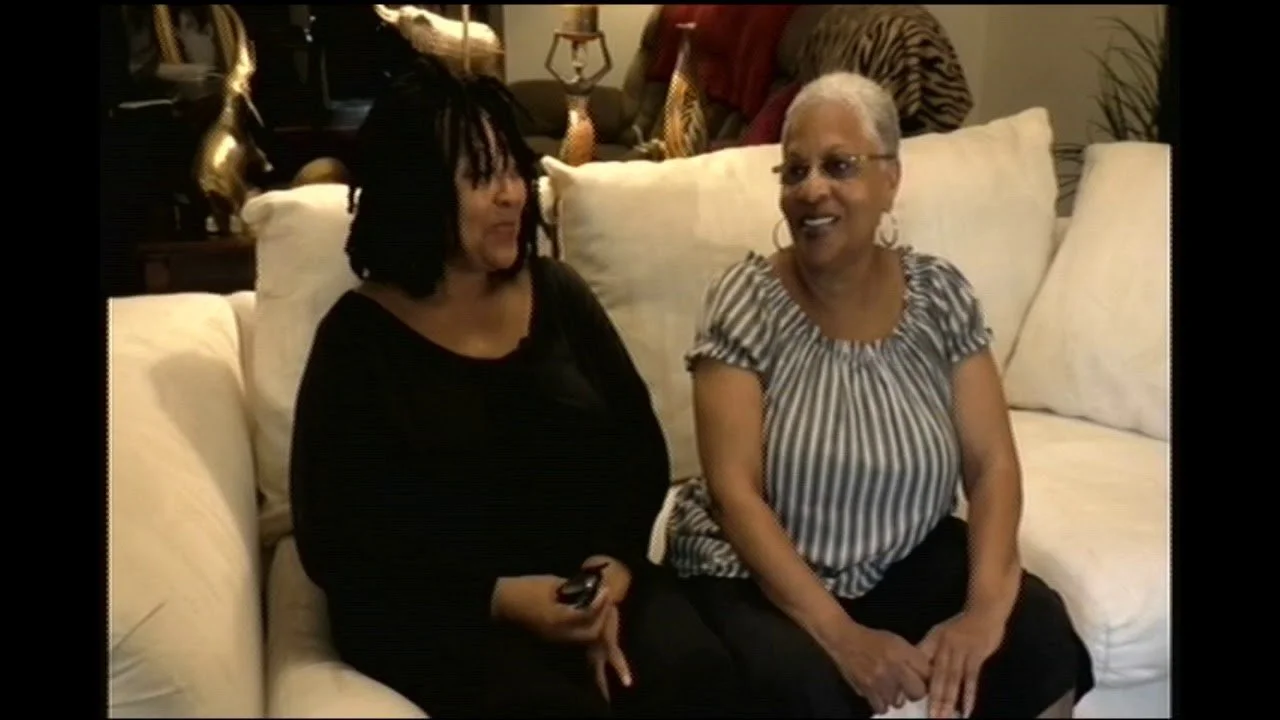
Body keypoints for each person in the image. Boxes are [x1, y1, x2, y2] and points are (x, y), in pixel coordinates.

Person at [289, 57, 738, 719]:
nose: (511, 194)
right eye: (481, 177)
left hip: (592, 581)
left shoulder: (557, 293)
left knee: (702, 678)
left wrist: (609, 573)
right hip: (448, 614)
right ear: (418, 193)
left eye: (513, 171)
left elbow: (640, 454)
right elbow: (339, 539)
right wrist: (502, 599)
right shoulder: (358, 341)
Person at [666, 71, 1097, 719]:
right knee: (803, 694)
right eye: (795, 171)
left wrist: (983, 614)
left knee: (1037, 636)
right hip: (757, 571)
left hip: (902, 554)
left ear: (891, 179)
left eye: (840, 166)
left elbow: (991, 465)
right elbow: (735, 494)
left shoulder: (940, 296)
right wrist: (841, 636)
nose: (812, 188)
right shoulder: (745, 301)